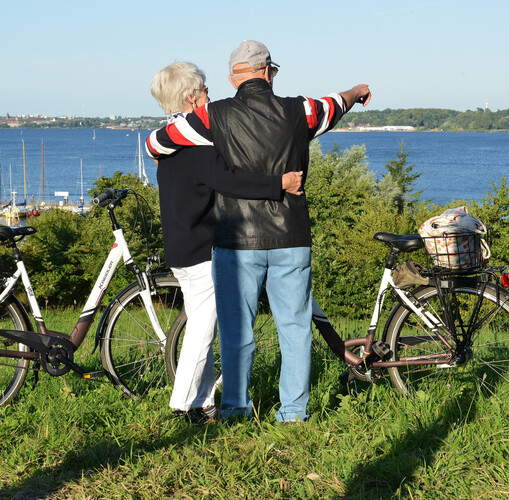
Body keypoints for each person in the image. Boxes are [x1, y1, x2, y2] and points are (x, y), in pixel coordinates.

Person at [147, 41, 371, 423]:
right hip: (291, 235)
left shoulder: (212, 117)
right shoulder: (300, 111)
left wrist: (156, 152)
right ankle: (293, 412)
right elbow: (335, 104)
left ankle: (235, 409)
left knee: (237, 330)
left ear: (234, 76)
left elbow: (158, 142)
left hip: (236, 242)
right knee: (296, 327)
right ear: (269, 71)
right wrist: (357, 91)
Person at [149, 61, 303, 424]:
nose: (209, 97)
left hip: (178, 244)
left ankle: (202, 403)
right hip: (203, 246)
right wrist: (277, 184)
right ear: (191, 98)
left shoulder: (167, 139)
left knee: (200, 323)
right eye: (204, 91)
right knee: (203, 328)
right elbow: (229, 181)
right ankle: (182, 403)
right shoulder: (197, 146)